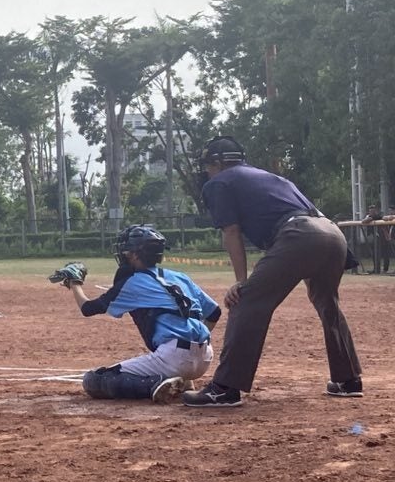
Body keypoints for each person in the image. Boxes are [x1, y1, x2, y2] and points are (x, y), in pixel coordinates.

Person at [182, 136, 363, 408]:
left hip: (299, 234)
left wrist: (240, 282)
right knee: (328, 304)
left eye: (208, 165)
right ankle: (349, 380)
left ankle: (225, 388)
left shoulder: (220, 182)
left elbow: (231, 232)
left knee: (245, 300)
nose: (207, 171)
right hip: (332, 232)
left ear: (218, 164)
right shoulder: (267, 177)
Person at [50, 225, 221, 403]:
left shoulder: (132, 282)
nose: (124, 253)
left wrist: (75, 283)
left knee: (95, 380)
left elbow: (88, 308)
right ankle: (182, 379)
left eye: (127, 250)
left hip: (174, 357)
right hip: (205, 356)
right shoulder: (180, 277)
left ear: (136, 255)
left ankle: (156, 384)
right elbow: (214, 312)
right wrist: (194, 345)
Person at [361, 204, 384, 274]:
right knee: (374, 254)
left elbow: (366, 220)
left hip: (379, 237)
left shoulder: (378, 216)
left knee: (378, 254)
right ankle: (375, 269)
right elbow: (363, 221)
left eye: (373, 210)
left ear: (375, 210)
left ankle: (378, 269)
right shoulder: (369, 216)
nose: (371, 212)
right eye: (370, 210)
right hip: (372, 237)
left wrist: (368, 218)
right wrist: (367, 218)